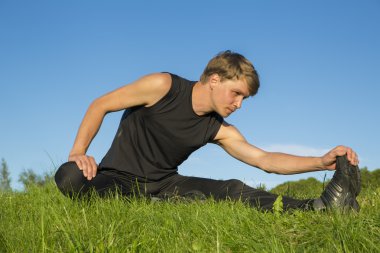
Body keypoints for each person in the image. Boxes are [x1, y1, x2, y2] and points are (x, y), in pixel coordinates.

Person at [55, 50, 361, 211]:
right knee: (69, 175)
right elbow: (100, 105)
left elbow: (265, 160)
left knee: (232, 188)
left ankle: (318, 207)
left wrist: (320, 162)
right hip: (116, 179)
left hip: (164, 184)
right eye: (237, 94)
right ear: (214, 79)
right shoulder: (162, 86)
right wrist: (78, 153)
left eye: (245, 98)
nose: (239, 104)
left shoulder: (218, 129)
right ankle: (140, 202)